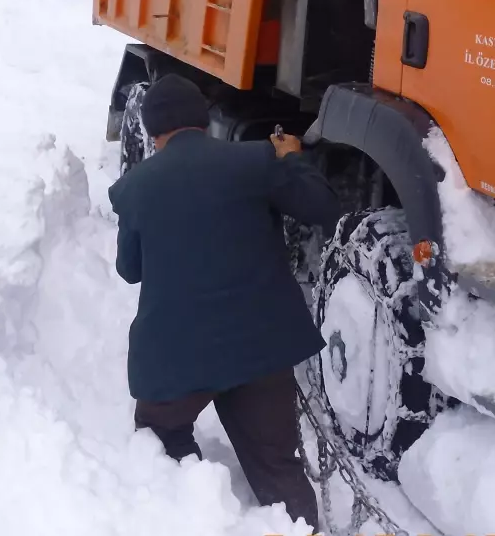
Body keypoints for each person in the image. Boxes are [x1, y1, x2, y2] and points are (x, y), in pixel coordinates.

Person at [107, 73, 342, 533]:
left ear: (153, 132)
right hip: (262, 352)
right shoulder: (256, 160)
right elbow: (323, 207)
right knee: (277, 466)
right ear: (202, 120)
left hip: (179, 361)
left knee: (161, 439)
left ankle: (195, 513)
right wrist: (292, 159)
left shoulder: (136, 188)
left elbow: (129, 269)